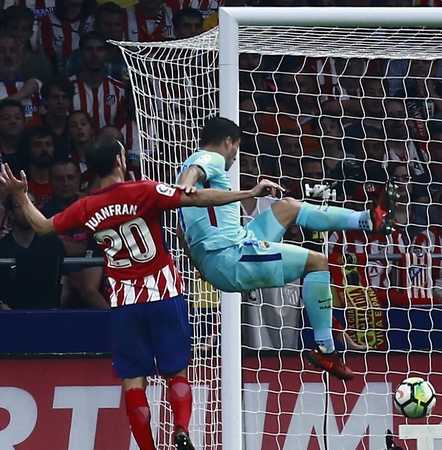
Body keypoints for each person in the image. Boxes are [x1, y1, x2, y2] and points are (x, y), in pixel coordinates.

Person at [0, 134, 277, 450]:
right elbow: (198, 198)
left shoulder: (85, 207)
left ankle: (148, 447)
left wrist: (21, 196)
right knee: (176, 371)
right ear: (120, 160)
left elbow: (43, 227)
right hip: (163, 294)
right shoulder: (144, 190)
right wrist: (249, 192)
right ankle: (182, 428)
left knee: (134, 381)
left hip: (124, 303)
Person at [175, 116, 398, 381]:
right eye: (237, 147)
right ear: (228, 141)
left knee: (289, 206)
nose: (235, 155)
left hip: (231, 246)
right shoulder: (209, 160)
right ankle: (326, 349)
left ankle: (367, 219)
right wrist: (188, 185)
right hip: (231, 256)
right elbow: (194, 173)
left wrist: (198, 263)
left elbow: (181, 230)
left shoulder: (189, 166)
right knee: (317, 262)